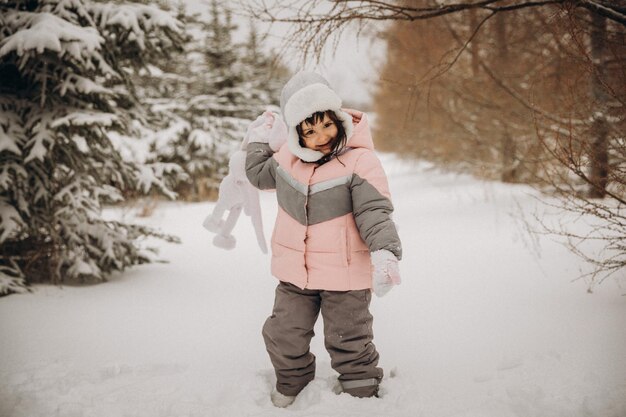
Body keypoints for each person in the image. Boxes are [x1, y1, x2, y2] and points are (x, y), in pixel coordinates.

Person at [245, 71, 402, 408]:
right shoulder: (286, 159)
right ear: (297, 133)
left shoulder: (360, 161)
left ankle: (360, 395)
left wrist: (385, 252)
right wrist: (258, 139)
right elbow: (258, 174)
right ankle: (292, 381)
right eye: (309, 130)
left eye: (326, 125)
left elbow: (374, 211)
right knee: (283, 333)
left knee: (349, 340)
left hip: (344, 275)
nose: (321, 136)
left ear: (338, 117)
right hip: (295, 276)